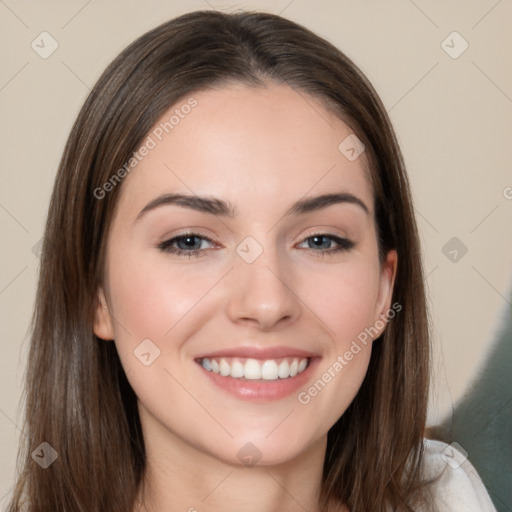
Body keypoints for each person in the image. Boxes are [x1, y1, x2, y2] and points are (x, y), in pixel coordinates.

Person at [7, 10, 497, 512]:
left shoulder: (449, 496)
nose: (267, 303)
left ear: (383, 290)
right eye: (191, 242)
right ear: (97, 293)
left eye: (321, 241)